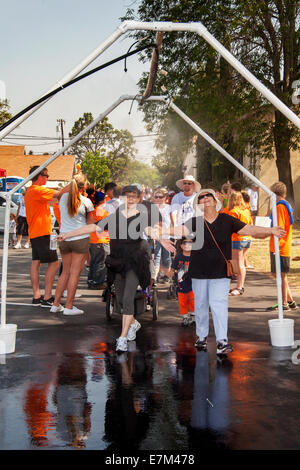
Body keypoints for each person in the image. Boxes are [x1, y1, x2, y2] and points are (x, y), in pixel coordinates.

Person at [161, 188, 285, 356]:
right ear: (199, 203)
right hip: (198, 272)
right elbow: (178, 230)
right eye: (201, 197)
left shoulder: (227, 220)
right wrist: (158, 230)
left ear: (215, 199)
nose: (205, 198)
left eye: (208, 196)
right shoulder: (195, 222)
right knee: (201, 306)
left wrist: (271, 231)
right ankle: (201, 337)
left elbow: (249, 230)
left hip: (220, 272)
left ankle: (222, 341)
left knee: (219, 305)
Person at [56, 184, 173, 352]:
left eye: (134, 196)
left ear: (139, 199)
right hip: (117, 262)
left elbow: (150, 230)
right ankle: (133, 323)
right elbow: (93, 227)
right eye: (127, 196)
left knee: (127, 299)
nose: (130, 199)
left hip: (136, 262)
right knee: (118, 301)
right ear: (122, 199)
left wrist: (160, 238)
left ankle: (123, 338)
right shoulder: (114, 217)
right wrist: (67, 234)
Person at [24, 166, 70, 307]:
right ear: (39, 176)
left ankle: (37, 296)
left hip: (36, 232)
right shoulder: (37, 190)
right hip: (42, 232)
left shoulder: (32, 192)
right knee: (54, 263)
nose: (47, 178)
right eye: (46, 175)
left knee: (36, 263)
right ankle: (47, 296)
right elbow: (60, 194)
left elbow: (54, 201)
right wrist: (74, 183)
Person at [50, 173, 94, 315]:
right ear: (83, 187)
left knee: (65, 272)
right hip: (80, 239)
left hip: (64, 238)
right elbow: (91, 223)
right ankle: (69, 306)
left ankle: (55, 304)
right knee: (74, 273)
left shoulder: (63, 198)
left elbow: (60, 194)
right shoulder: (86, 202)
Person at [268, 181, 297, 311]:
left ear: (275, 193)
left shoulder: (280, 207)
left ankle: (284, 303)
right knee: (279, 274)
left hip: (279, 246)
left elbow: (278, 228)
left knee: (280, 275)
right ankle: (290, 301)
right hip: (283, 246)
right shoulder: (286, 205)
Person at [227, 191, 253, 296]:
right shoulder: (246, 210)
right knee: (241, 263)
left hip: (237, 239)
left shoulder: (233, 211)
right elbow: (251, 223)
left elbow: (229, 227)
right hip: (247, 238)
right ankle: (239, 285)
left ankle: (239, 286)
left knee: (238, 264)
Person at [87, 191, 110, 289]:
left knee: (94, 262)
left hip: (93, 240)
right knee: (101, 263)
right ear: (104, 200)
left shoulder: (92, 211)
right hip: (102, 240)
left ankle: (91, 280)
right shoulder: (102, 212)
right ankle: (97, 282)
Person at [171, 237, 195, 327]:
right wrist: (171, 274)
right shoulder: (178, 257)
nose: (188, 245)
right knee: (183, 302)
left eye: (190, 243)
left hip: (193, 284)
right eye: (185, 243)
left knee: (193, 300)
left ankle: (193, 316)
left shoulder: (194, 257)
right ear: (181, 246)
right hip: (181, 284)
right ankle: (185, 317)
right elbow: (173, 268)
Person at [153, 188, 172, 281]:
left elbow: (173, 222)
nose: (158, 199)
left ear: (165, 197)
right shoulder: (152, 208)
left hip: (166, 237)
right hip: (156, 237)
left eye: (160, 197)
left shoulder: (169, 208)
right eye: (156, 197)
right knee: (156, 257)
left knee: (166, 257)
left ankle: (166, 275)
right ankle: (155, 276)